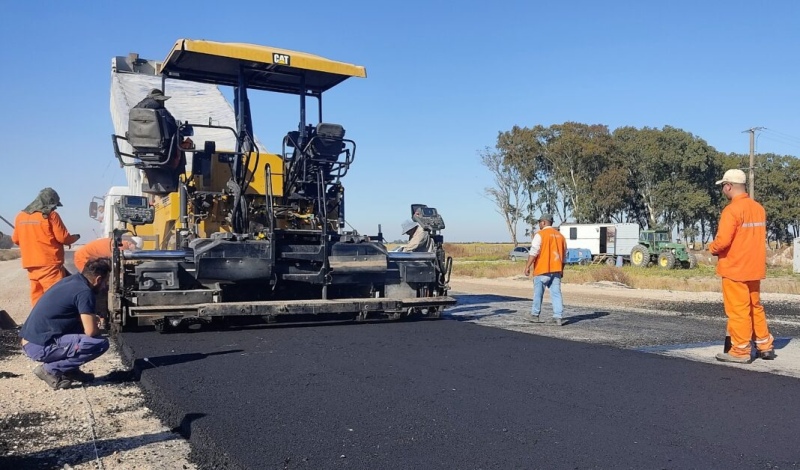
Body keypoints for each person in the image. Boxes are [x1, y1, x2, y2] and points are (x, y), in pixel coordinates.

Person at [709, 169, 775, 364]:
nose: (723, 190)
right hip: (754, 268)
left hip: (735, 268)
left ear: (728, 186)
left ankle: (740, 350)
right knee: (755, 307)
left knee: (738, 310)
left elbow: (722, 242)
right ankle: (765, 346)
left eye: (723, 186)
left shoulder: (732, 210)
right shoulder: (758, 208)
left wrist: (711, 248)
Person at [19, 258, 112, 390]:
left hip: (31, 340)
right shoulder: (85, 292)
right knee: (99, 343)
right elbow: (91, 331)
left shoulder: (72, 281)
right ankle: (49, 370)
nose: (104, 287)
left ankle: (70, 370)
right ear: (97, 279)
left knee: (79, 325)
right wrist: (98, 324)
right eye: (104, 282)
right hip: (39, 347)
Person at [11, 188, 80, 306]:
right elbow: (63, 238)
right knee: (55, 298)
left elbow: (16, 239)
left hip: (30, 263)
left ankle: (37, 322)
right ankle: (54, 323)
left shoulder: (20, 216)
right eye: (54, 205)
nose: (54, 208)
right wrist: (75, 237)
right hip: (49, 264)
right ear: (50, 202)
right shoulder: (51, 216)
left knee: (37, 299)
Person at [523, 214, 567, 326]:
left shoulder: (540, 235)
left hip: (542, 269)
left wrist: (527, 266)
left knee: (538, 293)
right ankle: (558, 317)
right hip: (556, 270)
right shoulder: (561, 236)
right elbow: (564, 256)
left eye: (539, 222)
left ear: (543, 222)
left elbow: (534, 252)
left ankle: (534, 315)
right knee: (556, 294)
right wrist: (561, 270)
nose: (539, 225)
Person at [74, 235, 141, 273]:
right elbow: (119, 263)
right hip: (83, 258)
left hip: (82, 255)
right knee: (91, 279)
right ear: (132, 244)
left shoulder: (120, 242)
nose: (135, 250)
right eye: (136, 248)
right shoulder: (123, 245)